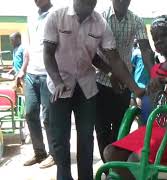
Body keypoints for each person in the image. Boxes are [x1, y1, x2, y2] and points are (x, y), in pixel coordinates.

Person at [43, 0, 144, 179]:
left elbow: (112, 58)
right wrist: (57, 81)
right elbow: (48, 54)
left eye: (92, 2)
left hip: (86, 87)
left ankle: (86, 177)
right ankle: (64, 176)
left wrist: (130, 85)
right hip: (59, 86)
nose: (88, 5)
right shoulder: (56, 17)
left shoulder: (100, 23)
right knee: (60, 139)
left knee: (86, 138)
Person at [103, 15, 167, 180]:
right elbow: (156, 104)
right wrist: (154, 90)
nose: (158, 42)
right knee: (111, 153)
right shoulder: (156, 70)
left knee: (135, 159)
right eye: (155, 38)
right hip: (156, 128)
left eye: (163, 36)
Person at [95, 0, 154, 162]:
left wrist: (155, 76)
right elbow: (91, 53)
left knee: (122, 127)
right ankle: (110, 171)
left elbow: (146, 50)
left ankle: (116, 167)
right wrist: (109, 73)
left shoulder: (137, 20)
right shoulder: (99, 17)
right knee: (102, 130)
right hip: (99, 81)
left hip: (124, 82)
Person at [16, 0, 55, 168]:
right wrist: (22, 70)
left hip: (49, 74)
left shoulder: (56, 14)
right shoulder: (30, 17)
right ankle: (39, 153)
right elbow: (28, 48)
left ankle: (54, 154)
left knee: (48, 117)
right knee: (30, 113)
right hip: (31, 73)